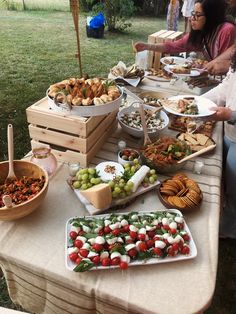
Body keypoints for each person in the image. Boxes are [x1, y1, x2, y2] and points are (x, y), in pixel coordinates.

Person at [203, 44, 236, 239]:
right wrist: (194, 102)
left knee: (234, 188)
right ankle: (227, 219)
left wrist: (231, 113)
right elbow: (225, 89)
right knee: (226, 181)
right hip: (229, 131)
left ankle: (230, 231)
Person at [134, 0, 236, 62]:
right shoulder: (201, 32)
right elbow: (174, 46)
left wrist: (205, 70)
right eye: (193, 13)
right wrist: (147, 46)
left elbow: (226, 65)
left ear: (211, 16)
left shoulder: (226, 31)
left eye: (197, 15)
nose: (192, 18)